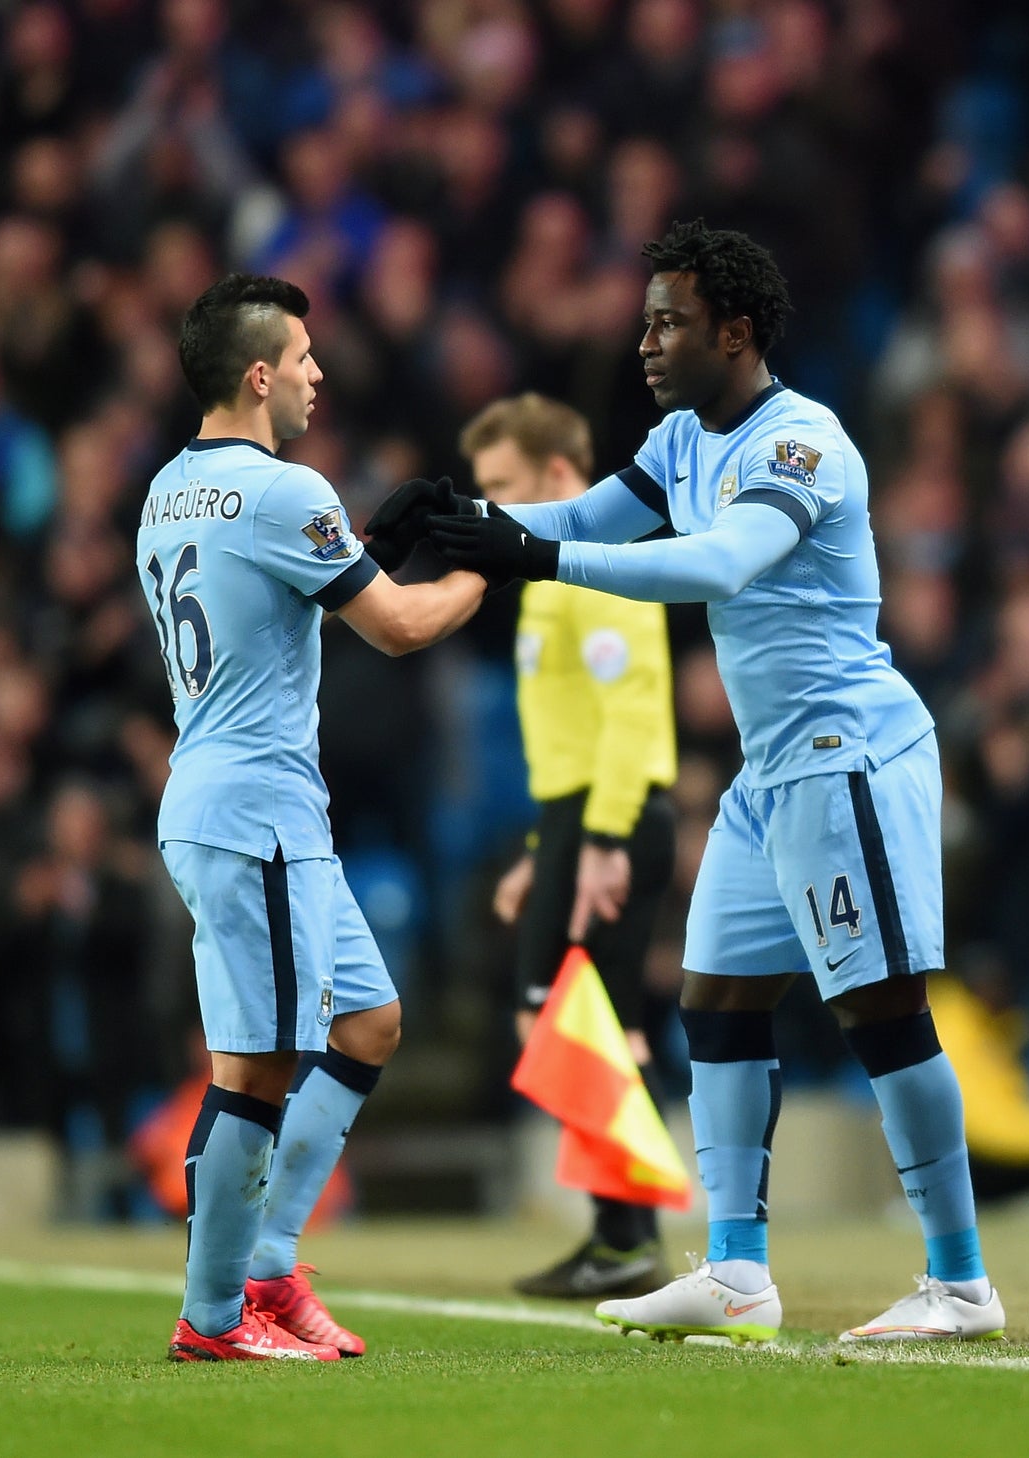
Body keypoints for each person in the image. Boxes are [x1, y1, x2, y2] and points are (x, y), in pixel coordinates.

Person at [410, 221, 1002, 1344]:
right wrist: (473, 523)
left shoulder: (803, 443)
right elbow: (586, 517)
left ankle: (961, 1281)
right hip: (769, 770)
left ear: (733, 331)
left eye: (666, 320)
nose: (643, 341)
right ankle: (735, 1274)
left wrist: (527, 555)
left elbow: (716, 562)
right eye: (644, 320)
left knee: (881, 1015)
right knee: (714, 1004)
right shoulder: (682, 435)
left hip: (848, 756)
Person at [139, 273, 487, 1363]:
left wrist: (363, 541)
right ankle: (211, 1318)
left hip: (247, 805)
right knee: (253, 1068)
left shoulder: (167, 488)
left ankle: (273, 1270)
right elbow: (395, 628)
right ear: (257, 375)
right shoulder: (285, 491)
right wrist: (490, 559)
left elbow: (275, 587)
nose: (317, 374)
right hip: (255, 814)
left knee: (368, 1020)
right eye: (301, 357)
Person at [462, 392, 680, 1298]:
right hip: (579, 814)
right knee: (591, 1024)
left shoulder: (597, 563)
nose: (492, 508)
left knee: (573, 1022)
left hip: (610, 817)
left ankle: (628, 1237)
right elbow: (577, 725)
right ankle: (620, 1237)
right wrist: (540, 846)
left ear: (559, 477)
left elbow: (630, 710)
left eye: (503, 487)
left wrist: (596, 841)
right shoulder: (555, 572)